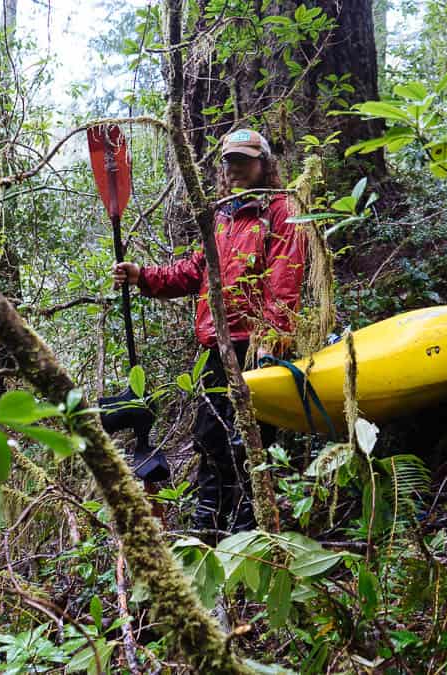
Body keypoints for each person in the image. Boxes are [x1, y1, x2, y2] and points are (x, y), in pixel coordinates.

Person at [112, 128, 306, 534]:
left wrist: (270, 342)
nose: (235, 168)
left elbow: (284, 282)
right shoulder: (222, 215)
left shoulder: (281, 210)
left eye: (244, 160)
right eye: (229, 160)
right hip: (216, 347)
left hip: (255, 347)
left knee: (250, 439)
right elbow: (193, 271)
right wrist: (142, 276)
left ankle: (250, 528)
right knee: (209, 436)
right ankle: (209, 526)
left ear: (263, 163)